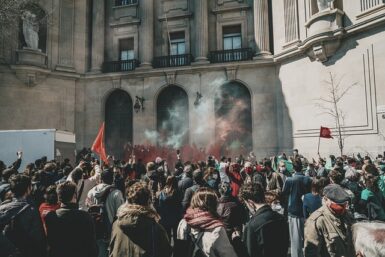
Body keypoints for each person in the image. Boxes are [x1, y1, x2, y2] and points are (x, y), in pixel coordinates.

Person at [109, 182, 172, 257]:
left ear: (128, 200)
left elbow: (111, 250)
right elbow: (166, 253)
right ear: (148, 202)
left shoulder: (116, 225)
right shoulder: (156, 229)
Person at [177, 187, 238, 257]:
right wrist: (237, 242)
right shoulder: (217, 229)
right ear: (214, 205)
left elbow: (180, 250)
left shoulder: (184, 223)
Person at [45, 181, 98, 257]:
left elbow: (50, 242)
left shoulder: (50, 217)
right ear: (74, 196)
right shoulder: (85, 217)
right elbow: (92, 246)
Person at [237, 182, 289, 257]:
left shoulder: (252, 226)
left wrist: (237, 243)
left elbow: (249, 253)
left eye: (246, 204)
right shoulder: (281, 218)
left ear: (250, 203)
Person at [0, 174, 47, 257]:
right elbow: (38, 236)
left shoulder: (3, 206)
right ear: (28, 189)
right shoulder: (30, 209)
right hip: (27, 251)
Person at [304, 184, 355, 257]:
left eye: (344, 204)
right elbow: (311, 252)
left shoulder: (347, 216)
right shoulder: (317, 221)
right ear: (325, 199)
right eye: (337, 205)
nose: (342, 208)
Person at [86, 169, 125, 257]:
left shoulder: (91, 192)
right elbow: (121, 214)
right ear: (112, 179)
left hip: (95, 230)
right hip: (111, 231)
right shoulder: (116, 193)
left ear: (101, 179)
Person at [282, 158, 311, 257]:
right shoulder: (308, 179)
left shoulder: (290, 180)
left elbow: (284, 194)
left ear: (293, 168)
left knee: (295, 241)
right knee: (308, 239)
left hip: (294, 212)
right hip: (306, 212)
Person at [157, 175, 183, 244]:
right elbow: (180, 205)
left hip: (165, 217)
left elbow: (160, 206)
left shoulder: (162, 193)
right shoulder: (178, 192)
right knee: (176, 237)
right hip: (176, 217)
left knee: (167, 237)